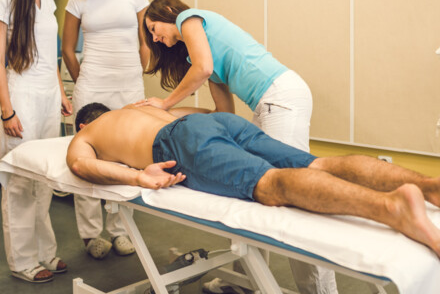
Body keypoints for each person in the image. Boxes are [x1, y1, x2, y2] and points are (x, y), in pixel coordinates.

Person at [67, 103, 440, 264]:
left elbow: (81, 165)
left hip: (179, 142)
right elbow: (201, 112)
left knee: (270, 184)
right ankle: (428, 187)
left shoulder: (88, 133)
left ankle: (392, 208)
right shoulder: (137, 109)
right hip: (212, 122)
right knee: (317, 162)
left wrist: (138, 176)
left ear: (84, 123)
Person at [142, 0, 335, 293]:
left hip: (280, 98)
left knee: (293, 198)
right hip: (272, 103)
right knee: (250, 190)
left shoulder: (188, 19)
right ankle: (244, 281)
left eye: (154, 29)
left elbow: (203, 69)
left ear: (168, 10)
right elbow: (222, 113)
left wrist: (165, 104)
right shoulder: (201, 56)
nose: (155, 38)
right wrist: (169, 116)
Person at [62, 0, 149, 259]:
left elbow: (145, 41)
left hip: (128, 85)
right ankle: (90, 234)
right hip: (93, 84)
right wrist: (83, 78)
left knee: (127, 156)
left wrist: (140, 71)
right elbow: (67, 48)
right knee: (86, 156)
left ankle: (120, 229)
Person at [0, 0, 72, 283]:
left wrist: (61, 92)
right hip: (22, 97)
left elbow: (48, 54)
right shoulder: (6, 1)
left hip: (47, 97)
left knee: (44, 177)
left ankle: (45, 252)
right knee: (20, 181)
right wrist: (6, 111)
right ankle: (23, 260)